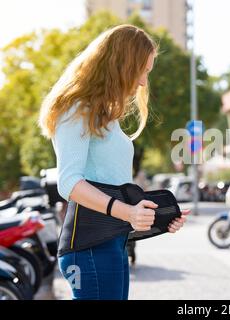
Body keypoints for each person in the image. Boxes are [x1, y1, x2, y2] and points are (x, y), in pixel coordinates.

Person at [38, 24, 190, 300]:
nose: (144, 81)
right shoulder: (77, 108)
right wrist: (128, 213)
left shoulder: (106, 116)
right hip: (89, 247)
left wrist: (157, 217)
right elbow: (69, 183)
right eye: (142, 70)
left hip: (111, 242)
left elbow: (111, 183)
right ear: (122, 65)